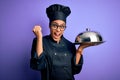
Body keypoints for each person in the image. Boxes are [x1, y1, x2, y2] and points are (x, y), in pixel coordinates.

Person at [30, 4, 91, 80]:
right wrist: (39, 37)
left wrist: (80, 49)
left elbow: (75, 70)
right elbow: (38, 65)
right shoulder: (40, 41)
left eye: (62, 26)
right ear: (49, 25)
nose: (58, 30)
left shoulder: (70, 45)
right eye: (55, 25)